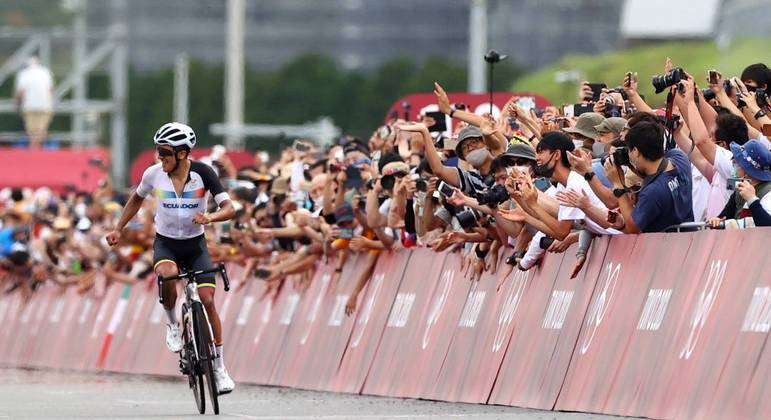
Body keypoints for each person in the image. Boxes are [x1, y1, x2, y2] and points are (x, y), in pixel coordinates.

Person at [105, 122, 236, 394]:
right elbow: (136, 199)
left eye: (164, 152)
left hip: (195, 244)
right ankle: (173, 324)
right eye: (158, 151)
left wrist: (210, 217)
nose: (159, 157)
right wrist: (119, 227)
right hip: (166, 243)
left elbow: (229, 208)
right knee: (166, 275)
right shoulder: (154, 174)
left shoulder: (204, 174)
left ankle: (220, 369)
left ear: (182, 153)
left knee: (209, 300)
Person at [608, 122, 694, 233]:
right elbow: (656, 172)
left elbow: (633, 228)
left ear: (635, 151)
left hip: (664, 245)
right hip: (690, 238)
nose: (628, 154)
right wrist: (633, 165)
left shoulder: (652, 192)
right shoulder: (679, 157)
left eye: (629, 150)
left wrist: (618, 185)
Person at [14, 57, 54, 149]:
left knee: (31, 129)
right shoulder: (45, 72)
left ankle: (33, 147)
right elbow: (51, 89)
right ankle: (36, 147)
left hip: (29, 105)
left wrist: (17, 103)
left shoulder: (24, 74)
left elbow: (21, 92)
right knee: (41, 128)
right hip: (44, 104)